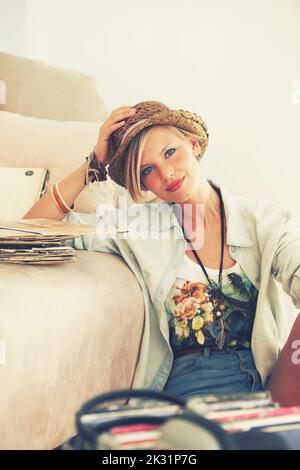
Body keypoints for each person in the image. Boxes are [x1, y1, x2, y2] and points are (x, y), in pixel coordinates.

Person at [23, 101, 300, 403]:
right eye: (148, 170)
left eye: (170, 152)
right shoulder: (138, 228)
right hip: (193, 388)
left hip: (269, 385)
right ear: (142, 184)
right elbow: (32, 231)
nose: (167, 173)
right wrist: (92, 165)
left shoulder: (264, 222)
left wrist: (282, 395)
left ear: (193, 144)